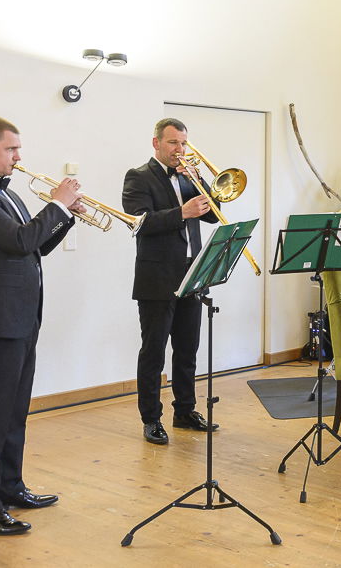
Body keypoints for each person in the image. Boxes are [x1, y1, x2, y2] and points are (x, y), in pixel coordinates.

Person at [0, 116, 83, 535]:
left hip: (20, 317)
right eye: (11, 149)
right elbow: (20, 240)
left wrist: (65, 215)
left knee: (14, 411)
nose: (19, 157)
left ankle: (10, 487)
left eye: (18, 149)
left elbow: (33, 247)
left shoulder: (6, 192)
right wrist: (57, 204)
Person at [123, 118, 223, 445]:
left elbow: (213, 214)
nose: (179, 149)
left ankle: (185, 411)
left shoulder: (188, 177)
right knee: (154, 352)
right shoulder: (138, 177)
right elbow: (138, 222)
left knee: (187, 349)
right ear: (156, 143)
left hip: (192, 273)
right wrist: (182, 212)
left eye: (183, 143)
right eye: (172, 143)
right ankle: (151, 418)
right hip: (157, 277)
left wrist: (200, 181)